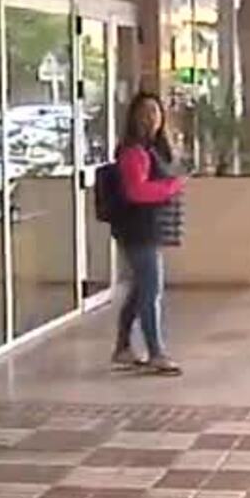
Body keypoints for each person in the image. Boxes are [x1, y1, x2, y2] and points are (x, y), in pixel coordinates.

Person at [110, 91, 188, 375]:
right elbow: (137, 191)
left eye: (155, 112)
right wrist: (172, 187)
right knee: (150, 289)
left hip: (146, 227)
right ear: (133, 117)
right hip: (138, 230)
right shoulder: (134, 152)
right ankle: (156, 351)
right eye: (145, 112)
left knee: (140, 288)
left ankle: (123, 348)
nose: (151, 118)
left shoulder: (152, 149)